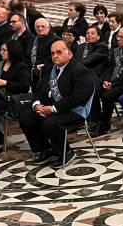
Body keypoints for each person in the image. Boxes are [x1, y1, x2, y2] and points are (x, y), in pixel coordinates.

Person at [18, 39, 95, 168]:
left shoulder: (80, 71)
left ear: (69, 54)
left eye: (59, 52)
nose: (55, 56)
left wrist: (53, 109)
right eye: (53, 53)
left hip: (74, 111)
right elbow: (39, 90)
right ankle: (44, 150)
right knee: (26, 118)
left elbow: (78, 98)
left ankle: (66, 153)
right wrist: (37, 105)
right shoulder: (51, 69)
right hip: (51, 109)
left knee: (50, 124)